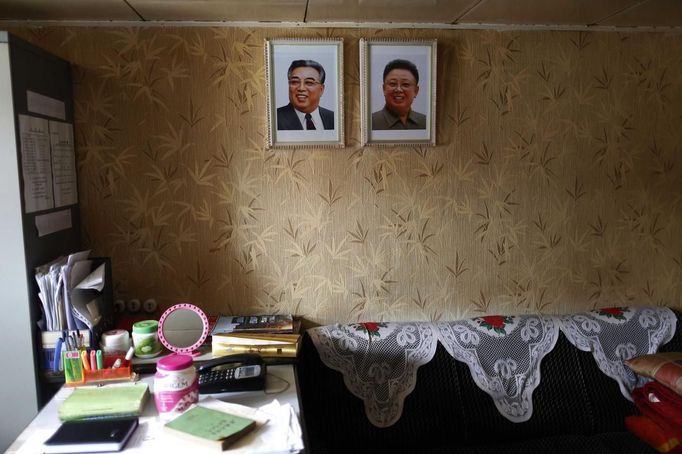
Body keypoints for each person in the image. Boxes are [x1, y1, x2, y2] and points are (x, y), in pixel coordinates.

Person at [277, 60, 334, 130]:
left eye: (309, 82)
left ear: (321, 89)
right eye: (295, 82)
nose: (301, 88)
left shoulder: (333, 118)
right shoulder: (275, 118)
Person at [371, 59, 426, 130]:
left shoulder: (425, 122)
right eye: (392, 84)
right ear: (384, 89)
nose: (398, 89)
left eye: (405, 84)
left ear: (416, 91)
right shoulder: (371, 123)